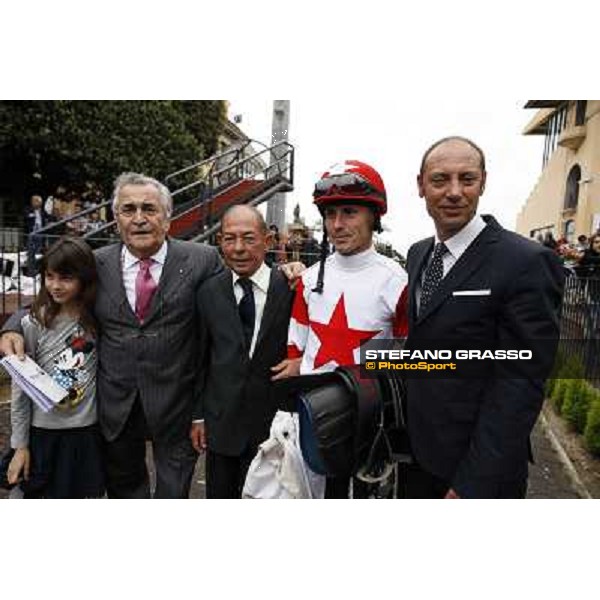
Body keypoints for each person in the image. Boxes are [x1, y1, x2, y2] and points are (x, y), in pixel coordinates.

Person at [2, 172, 223, 498]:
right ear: (115, 217)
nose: (139, 219)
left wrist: (289, 273)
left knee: (173, 496)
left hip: (178, 406)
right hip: (116, 407)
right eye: (128, 209)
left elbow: (232, 307)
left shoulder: (203, 260)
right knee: (124, 494)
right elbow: (53, 297)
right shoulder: (95, 264)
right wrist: (13, 325)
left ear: (167, 217)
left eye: (149, 209)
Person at [403, 136, 565, 498]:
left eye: (467, 178)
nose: (455, 192)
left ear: (484, 183)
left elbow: (519, 383)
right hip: (417, 457)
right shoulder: (417, 255)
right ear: (420, 186)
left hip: (478, 472)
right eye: (440, 179)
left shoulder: (526, 262)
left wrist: (473, 483)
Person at [272, 160, 408, 498]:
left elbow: (408, 357)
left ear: (373, 218)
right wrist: (296, 360)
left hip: (367, 423)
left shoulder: (398, 282)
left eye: (349, 212)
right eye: (330, 215)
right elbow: (297, 337)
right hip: (311, 417)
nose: (337, 224)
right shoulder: (307, 278)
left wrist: (364, 369)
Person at [191, 205, 294, 498]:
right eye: (229, 239)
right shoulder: (207, 292)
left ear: (267, 240)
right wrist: (197, 416)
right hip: (221, 425)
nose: (238, 248)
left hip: (273, 426)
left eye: (248, 238)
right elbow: (199, 358)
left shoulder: (291, 288)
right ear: (220, 241)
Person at [6, 237, 104, 498]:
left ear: (84, 279)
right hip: (42, 434)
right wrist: (20, 445)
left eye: (66, 278)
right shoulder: (33, 324)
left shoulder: (99, 318)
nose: (55, 286)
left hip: (85, 434)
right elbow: (20, 389)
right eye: (49, 276)